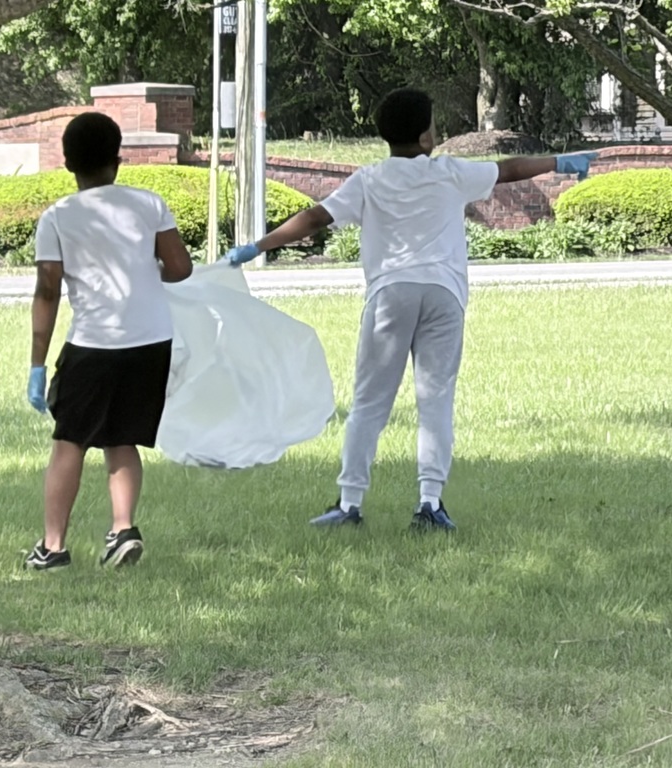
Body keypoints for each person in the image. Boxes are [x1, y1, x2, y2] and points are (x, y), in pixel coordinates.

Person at [223, 87, 597, 532]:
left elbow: (316, 217)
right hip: (444, 294)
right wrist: (560, 161)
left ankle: (349, 504)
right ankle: (430, 503)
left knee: (368, 403)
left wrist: (257, 246)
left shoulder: (370, 178)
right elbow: (509, 169)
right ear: (425, 138)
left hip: (390, 295)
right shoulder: (448, 172)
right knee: (435, 400)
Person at [26, 112, 194, 570]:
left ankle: (53, 546)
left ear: (67, 163)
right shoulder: (148, 203)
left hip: (93, 344)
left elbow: (48, 291)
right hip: (151, 340)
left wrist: (38, 365)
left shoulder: (57, 218)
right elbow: (180, 268)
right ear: (118, 159)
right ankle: (123, 528)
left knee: (69, 441)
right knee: (123, 438)